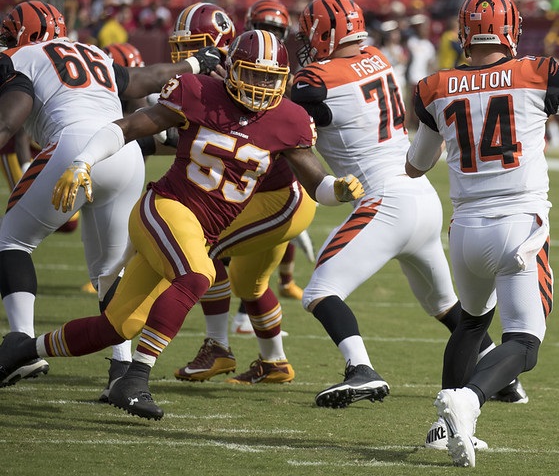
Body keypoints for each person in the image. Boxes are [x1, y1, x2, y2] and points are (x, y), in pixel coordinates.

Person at [0, 28, 364, 421]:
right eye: (252, 73)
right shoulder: (199, 91)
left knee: (119, 325)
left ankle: (23, 349)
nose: (260, 85)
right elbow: (127, 127)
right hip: (166, 207)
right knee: (198, 274)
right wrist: (82, 161)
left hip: (200, 229)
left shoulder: (288, 119)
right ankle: (135, 378)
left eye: (269, 78)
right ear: (232, 69)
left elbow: (316, 185)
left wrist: (339, 189)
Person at [405, 0, 559, 467]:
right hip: (519, 226)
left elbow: (416, 166)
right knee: (524, 343)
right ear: (511, 30)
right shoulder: (536, 73)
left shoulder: (433, 87)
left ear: (464, 32)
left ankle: (442, 427)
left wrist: (454, 129)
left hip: (465, 231)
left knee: (473, 323)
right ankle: (469, 401)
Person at [290, 0, 524, 417]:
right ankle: (503, 377)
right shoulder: (377, 56)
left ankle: (361, 368)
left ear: (323, 34)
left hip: (385, 200)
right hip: (421, 196)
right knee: (445, 305)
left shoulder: (315, 79)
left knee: (320, 291)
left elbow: (288, 117)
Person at [0, 0, 223, 393]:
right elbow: (147, 79)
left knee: (12, 240)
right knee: (109, 271)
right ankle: (121, 368)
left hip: (74, 146)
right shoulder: (93, 52)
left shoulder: (20, 55)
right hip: (124, 151)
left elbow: (11, 116)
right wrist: (194, 64)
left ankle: (21, 342)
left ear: (23, 31)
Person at [174, 0, 317, 385]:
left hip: (277, 196)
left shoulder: (249, 79)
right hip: (263, 195)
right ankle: (275, 363)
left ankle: (217, 346)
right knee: (250, 284)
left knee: (209, 250)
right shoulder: (234, 73)